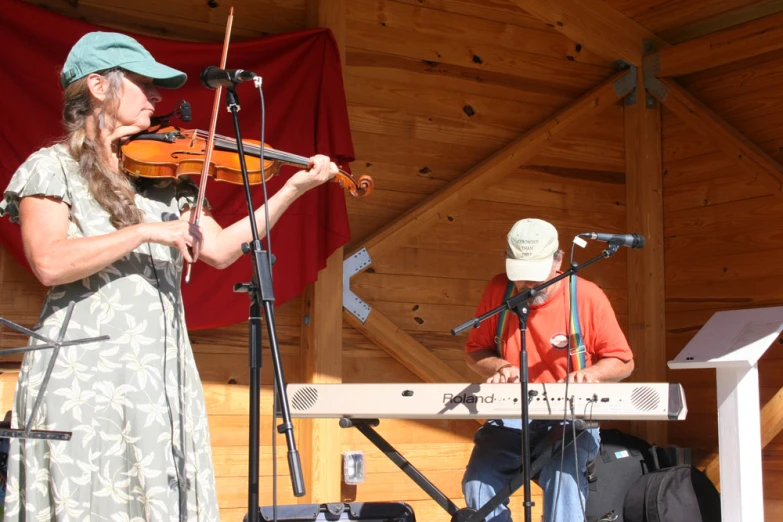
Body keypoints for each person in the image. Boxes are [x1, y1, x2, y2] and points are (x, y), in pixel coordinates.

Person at [0, 32, 339, 521]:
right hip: (84, 375)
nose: (157, 97)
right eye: (143, 84)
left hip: (158, 371)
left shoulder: (163, 180)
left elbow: (221, 250)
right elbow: (50, 262)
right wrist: (144, 233)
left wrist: (292, 188)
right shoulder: (51, 168)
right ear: (98, 86)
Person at [461, 218, 635, 522]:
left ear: (559, 260)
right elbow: (475, 351)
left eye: (536, 276)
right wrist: (500, 366)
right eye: (522, 276)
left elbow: (623, 361)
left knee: (563, 474)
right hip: (511, 417)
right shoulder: (498, 289)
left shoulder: (586, 295)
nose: (529, 285)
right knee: (479, 479)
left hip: (570, 419)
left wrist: (592, 374)